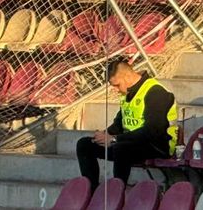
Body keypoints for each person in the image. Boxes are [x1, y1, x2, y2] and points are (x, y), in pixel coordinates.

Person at [76, 61, 177, 192]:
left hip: (157, 145)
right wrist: (103, 135)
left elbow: (153, 131)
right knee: (85, 144)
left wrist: (114, 139)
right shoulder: (127, 93)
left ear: (127, 77)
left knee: (121, 148)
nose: (116, 90)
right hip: (130, 143)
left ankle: (117, 193)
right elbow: (119, 123)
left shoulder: (156, 92)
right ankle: (91, 192)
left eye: (117, 85)